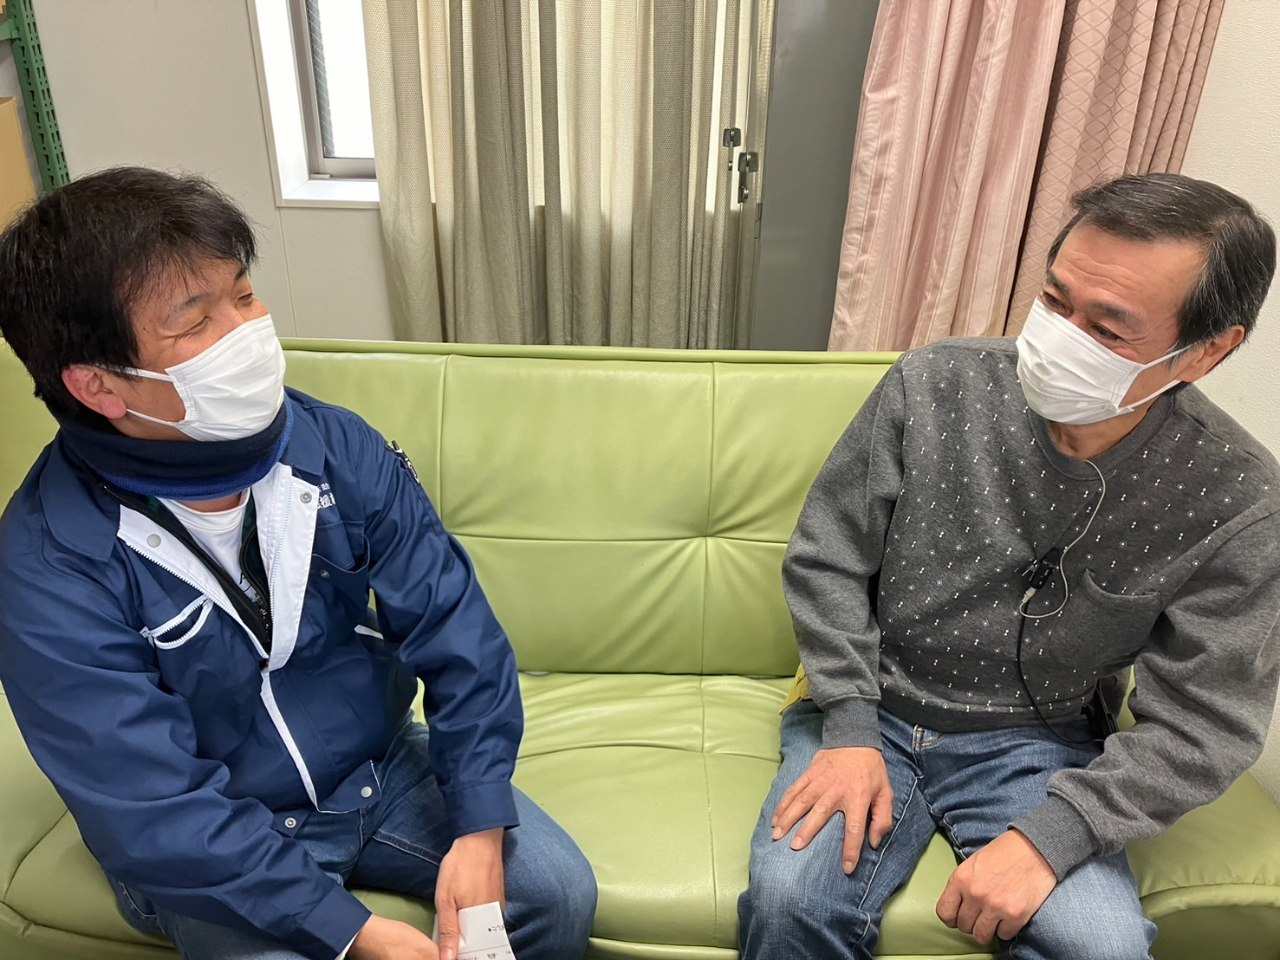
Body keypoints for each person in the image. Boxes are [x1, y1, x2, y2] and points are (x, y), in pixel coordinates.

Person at [0, 167, 596, 960]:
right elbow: (152, 805)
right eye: (197, 320)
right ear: (100, 385)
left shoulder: (334, 447)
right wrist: (350, 932)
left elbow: (456, 628)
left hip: (379, 769)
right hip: (218, 839)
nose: (248, 333)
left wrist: (481, 821)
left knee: (554, 892)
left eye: (244, 296)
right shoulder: (50, 564)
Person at [738, 173, 1280, 959]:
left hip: (1039, 741)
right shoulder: (933, 385)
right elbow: (827, 558)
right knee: (790, 901)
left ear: (1207, 350)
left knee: (1100, 948)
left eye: (1108, 329)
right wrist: (849, 727)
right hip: (872, 700)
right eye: (1055, 302)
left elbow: (1208, 720)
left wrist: (1054, 835)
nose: (1061, 338)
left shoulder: (1236, 500)